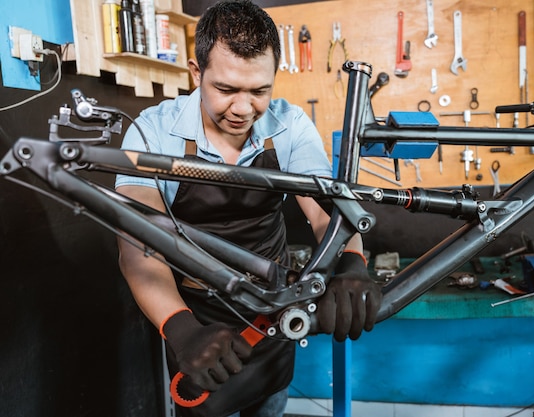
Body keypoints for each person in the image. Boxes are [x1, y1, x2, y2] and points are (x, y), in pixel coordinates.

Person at [114, 1, 382, 416]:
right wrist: (181, 331)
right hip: (194, 315)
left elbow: (326, 209)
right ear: (196, 72)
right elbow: (138, 244)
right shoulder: (151, 133)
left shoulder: (289, 126)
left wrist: (350, 260)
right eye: (225, 90)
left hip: (270, 315)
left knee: (270, 404)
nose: (243, 109)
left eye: (259, 91)